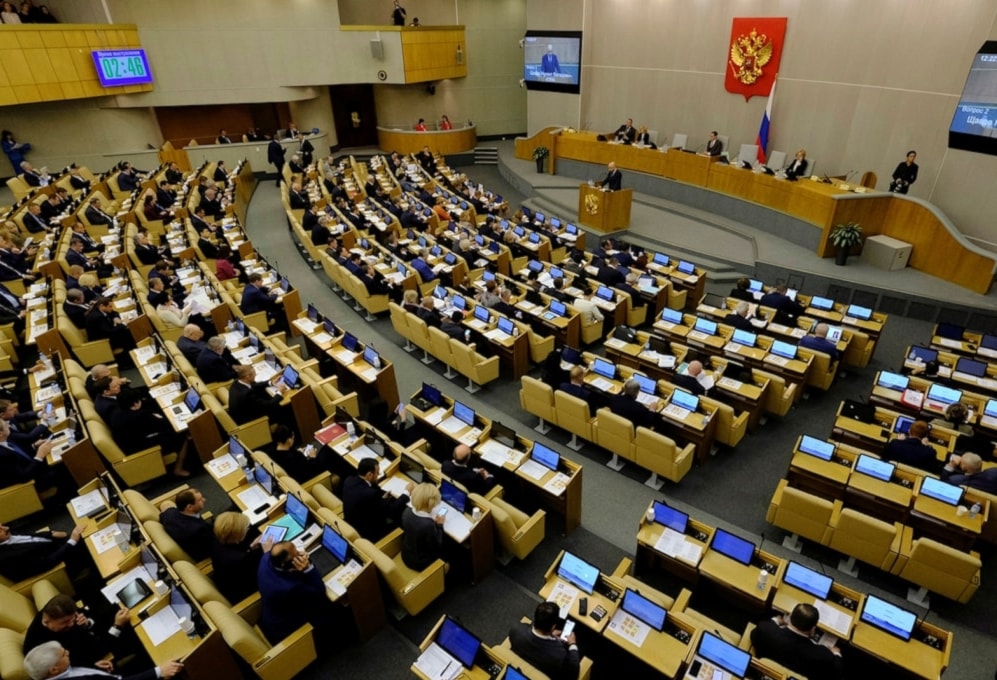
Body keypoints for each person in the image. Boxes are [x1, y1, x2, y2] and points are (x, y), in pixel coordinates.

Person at [23, 594, 131, 670]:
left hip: (94, 636)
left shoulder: (56, 612)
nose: (71, 623)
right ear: (47, 622)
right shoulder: (44, 649)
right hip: (94, 654)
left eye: (73, 618)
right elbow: (96, 650)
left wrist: (87, 623)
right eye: (65, 622)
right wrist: (117, 626)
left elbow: (88, 615)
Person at [257, 541, 332, 643]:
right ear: (287, 564)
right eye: (296, 555)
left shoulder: (265, 559)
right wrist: (308, 568)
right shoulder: (290, 588)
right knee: (331, 607)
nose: (299, 553)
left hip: (271, 613)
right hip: (286, 627)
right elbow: (319, 592)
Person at [751, 604, 843, 680]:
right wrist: (836, 654)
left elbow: (754, 636)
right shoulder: (822, 655)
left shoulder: (766, 630)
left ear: (790, 618)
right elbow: (837, 673)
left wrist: (776, 620)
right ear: (813, 629)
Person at [24, 640, 183, 680]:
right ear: (53, 670)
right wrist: (159, 672)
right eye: (64, 654)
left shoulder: (59, 670)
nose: (68, 652)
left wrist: (93, 667)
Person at [343, 457, 411, 541]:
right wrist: (406, 493)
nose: (378, 475)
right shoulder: (370, 494)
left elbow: (369, 500)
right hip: (368, 532)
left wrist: (381, 499)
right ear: (369, 475)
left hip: (351, 522)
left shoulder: (349, 480)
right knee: (403, 521)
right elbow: (392, 509)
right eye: (377, 473)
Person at [508, 602, 580, 680]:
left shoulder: (516, 630)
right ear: (553, 627)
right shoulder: (559, 654)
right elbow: (573, 674)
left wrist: (551, 635)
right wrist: (572, 644)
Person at [211, 511, 269, 603]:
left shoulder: (217, 541)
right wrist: (267, 552)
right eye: (247, 528)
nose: (248, 529)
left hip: (227, 579)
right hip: (244, 590)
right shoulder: (240, 559)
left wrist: (251, 547)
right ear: (238, 535)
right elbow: (266, 572)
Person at [0, 523, 84, 582]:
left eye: (2, 525)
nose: (7, 527)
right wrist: (72, 542)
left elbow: (31, 536)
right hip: (59, 562)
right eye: (0, 530)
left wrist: (51, 533)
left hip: (53, 545)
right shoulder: (6, 558)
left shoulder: (7, 534)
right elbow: (46, 563)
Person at [0, 414, 56, 489]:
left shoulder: (6, 440)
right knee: (62, 467)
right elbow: (23, 476)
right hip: (33, 483)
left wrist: (34, 446)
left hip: (35, 466)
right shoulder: (2, 455)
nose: (8, 425)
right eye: (5, 424)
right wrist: (39, 456)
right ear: (0, 434)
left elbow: (20, 454)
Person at [400, 483, 446, 570]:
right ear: (431, 504)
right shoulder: (428, 525)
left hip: (407, 553)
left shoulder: (406, 511)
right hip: (420, 562)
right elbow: (437, 545)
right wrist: (440, 525)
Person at [158, 488, 213, 561]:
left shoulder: (169, 515)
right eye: (200, 500)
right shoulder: (198, 530)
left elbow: (164, 505)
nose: (204, 500)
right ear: (189, 507)